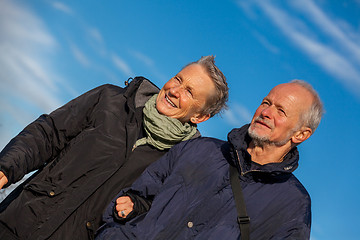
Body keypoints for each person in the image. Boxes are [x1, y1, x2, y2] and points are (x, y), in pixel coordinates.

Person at [0, 55, 229, 239]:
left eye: (189, 92)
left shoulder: (184, 161)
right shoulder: (110, 99)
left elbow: (160, 213)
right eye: (178, 79)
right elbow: (48, 134)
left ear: (200, 116)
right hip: (17, 222)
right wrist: (6, 167)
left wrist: (136, 206)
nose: (174, 90)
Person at [96, 80, 323, 240]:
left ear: (301, 134)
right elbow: (137, 197)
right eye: (266, 102)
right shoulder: (200, 149)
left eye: (281, 111)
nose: (266, 112)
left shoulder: (293, 204)